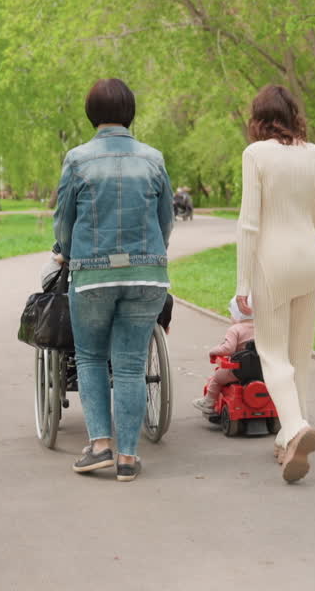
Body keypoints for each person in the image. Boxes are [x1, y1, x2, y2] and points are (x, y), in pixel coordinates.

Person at [53, 78, 174, 482]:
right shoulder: (153, 159)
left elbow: (64, 221)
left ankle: (100, 446)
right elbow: (166, 220)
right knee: (130, 365)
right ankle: (127, 458)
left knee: (89, 356)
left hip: (92, 276)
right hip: (146, 276)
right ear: (130, 112)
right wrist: (151, 254)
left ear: (91, 115)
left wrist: (67, 253)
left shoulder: (77, 159)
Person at [235, 84, 315, 483]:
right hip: (310, 256)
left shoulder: (255, 155)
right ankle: (288, 440)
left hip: (273, 260)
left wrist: (242, 281)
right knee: (299, 356)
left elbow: (249, 223)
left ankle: (293, 429)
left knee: (273, 356)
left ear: (258, 119)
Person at [191, 296, 255, 415]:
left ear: (238, 314)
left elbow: (228, 348)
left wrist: (214, 351)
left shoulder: (235, 329)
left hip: (239, 372)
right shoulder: (262, 328)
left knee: (217, 377)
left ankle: (208, 402)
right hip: (261, 371)